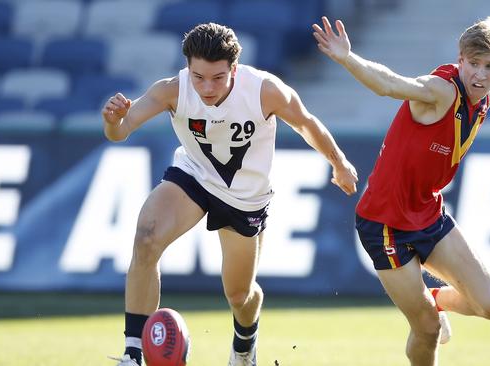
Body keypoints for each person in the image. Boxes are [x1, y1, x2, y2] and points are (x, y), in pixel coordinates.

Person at [313, 15, 490, 366]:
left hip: (428, 212)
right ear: (460, 59)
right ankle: (429, 311)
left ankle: (434, 297)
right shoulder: (440, 90)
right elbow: (390, 84)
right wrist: (347, 57)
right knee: (428, 327)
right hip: (384, 221)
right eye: (473, 64)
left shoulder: (489, 85)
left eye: (489, 66)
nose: (480, 74)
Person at [102, 22, 358, 366]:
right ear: (187, 67)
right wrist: (112, 120)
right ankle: (133, 354)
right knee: (147, 237)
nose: (207, 87)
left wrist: (339, 163)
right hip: (193, 176)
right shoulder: (171, 90)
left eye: (218, 77)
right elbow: (120, 131)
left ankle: (244, 343)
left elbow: (306, 123)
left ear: (234, 68)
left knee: (240, 294)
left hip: (245, 197)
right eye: (198, 77)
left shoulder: (265, 90)